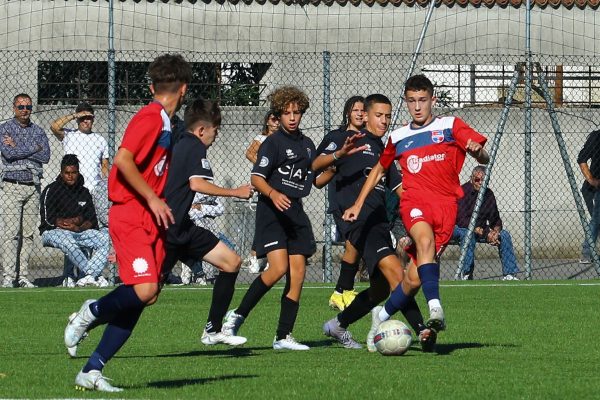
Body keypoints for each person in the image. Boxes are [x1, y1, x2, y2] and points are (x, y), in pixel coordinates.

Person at [63, 53, 192, 392]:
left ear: (152, 85)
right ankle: (90, 311)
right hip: (132, 212)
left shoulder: (167, 122)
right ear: (184, 89)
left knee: (147, 294)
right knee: (145, 288)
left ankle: (91, 370)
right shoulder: (150, 117)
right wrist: (151, 197)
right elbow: (122, 160)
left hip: (152, 217)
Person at [343, 75, 489, 339]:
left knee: (413, 279)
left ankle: (382, 315)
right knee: (424, 241)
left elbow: (483, 156)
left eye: (422, 100)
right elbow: (379, 170)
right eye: (412, 101)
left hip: (445, 206)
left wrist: (478, 152)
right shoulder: (398, 136)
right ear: (406, 102)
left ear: (433, 99)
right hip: (414, 203)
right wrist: (357, 203)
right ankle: (436, 309)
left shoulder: (450, 125)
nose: (417, 107)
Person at [318, 94, 435, 352]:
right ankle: (422, 330)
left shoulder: (384, 149)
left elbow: (399, 188)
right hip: (359, 222)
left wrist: (424, 211)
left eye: (388, 116)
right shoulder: (344, 140)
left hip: (379, 222)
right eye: (378, 115)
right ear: (365, 116)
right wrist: (337, 158)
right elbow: (315, 174)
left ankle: (337, 324)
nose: (384, 121)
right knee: (398, 275)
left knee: (380, 290)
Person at [222, 86, 317, 351]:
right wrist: (274, 193)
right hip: (272, 211)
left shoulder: (307, 144)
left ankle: (283, 336)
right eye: (286, 112)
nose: (292, 117)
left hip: (294, 212)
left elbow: (316, 178)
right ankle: (236, 316)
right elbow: (256, 178)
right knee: (277, 268)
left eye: (296, 112)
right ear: (277, 114)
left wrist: (338, 160)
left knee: (297, 274)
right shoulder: (272, 143)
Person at [162, 97, 252, 347]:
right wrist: (236, 192)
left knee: (231, 262)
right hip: (167, 231)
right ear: (202, 130)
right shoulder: (193, 146)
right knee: (145, 295)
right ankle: (92, 313)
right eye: (216, 129)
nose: (217, 135)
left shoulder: (184, 140)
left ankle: (213, 329)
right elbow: (197, 184)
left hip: (184, 228)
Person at [313, 95, 365, 311]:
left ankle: (340, 292)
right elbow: (318, 166)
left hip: (363, 201)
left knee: (357, 244)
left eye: (363, 110)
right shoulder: (338, 137)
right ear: (347, 113)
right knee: (353, 242)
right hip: (343, 200)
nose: (360, 114)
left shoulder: (369, 138)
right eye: (356, 110)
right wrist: (334, 163)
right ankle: (344, 291)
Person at [0, 93, 51, 288]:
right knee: (11, 234)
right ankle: (8, 276)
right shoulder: (4, 129)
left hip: (33, 186)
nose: (25, 111)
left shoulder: (38, 130)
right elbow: (9, 153)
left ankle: (22, 276)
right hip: (12, 186)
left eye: (28, 107)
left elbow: (45, 155)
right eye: (21, 107)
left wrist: (20, 146)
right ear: (14, 108)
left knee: (28, 235)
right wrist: (33, 148)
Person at [40, 154, 111, 288]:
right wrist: (69, 224)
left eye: (74, 173)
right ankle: (91, 274)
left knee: (105, 239)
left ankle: (86, 277)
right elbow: (47, 221)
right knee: (68, 240)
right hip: (54, 232)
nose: (70, 176)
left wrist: (79, 227)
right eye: (67, 173)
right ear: (61, 173)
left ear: (78, 172)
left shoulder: (83, 192)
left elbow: (92, 220)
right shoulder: (51, 190)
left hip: (79, 232)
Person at [451, 165, 520, 280]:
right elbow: (461, 219)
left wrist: (495, 232)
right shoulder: (462, 191)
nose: (480, 182)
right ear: (471, 179)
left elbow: (495, 219)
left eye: (483, 180)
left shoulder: (489, 194)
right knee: (467, 234)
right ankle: (466, 274)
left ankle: (510, 274)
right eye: (477, 180)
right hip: (463, 227)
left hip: (483, 229)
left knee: (504, 235)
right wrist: (481, 231)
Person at [243, 110, 279, 273]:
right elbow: (250, 153)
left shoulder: (283, 139)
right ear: (267, 122)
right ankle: (254, 257)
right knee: (264, 221)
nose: (276, 122)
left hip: (280, 184)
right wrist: (264, 165)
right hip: (265, 183)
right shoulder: (262, 138)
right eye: (273, 119)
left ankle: (273, 258)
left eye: (278, 119)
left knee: (278, 222)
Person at [50, 102, 109, 193]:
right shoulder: (69, 135)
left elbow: (105, 166)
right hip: (73, 187)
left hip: (95, 188)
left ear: (93, 119)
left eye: (88, 118)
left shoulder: (101, 140)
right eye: (82, 118)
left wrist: (105, 185)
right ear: (77, 119)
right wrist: (74, 115)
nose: (85, 121)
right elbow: (54, 127)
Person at [578, 129, 600, 264]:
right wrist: (591, 180)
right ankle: (587, 252)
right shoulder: (596, 137)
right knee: (597, 219)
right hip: (593, 189)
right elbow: (582, 159)